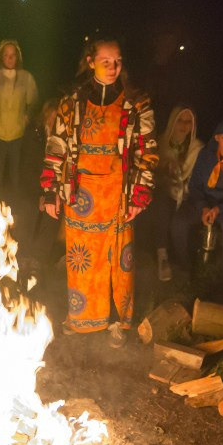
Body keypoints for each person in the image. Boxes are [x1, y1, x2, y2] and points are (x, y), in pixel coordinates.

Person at [40, 38, 158, 347]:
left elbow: (147, 150)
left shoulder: (137, 103)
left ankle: (119, 322)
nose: (112, 67)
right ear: (91, 61)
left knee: (120, 263)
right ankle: (82, 319)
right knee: (83, 261)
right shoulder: (72, 102)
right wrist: (52, 191)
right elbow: (57, 148)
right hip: (82, 197)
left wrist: (139, 194)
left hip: (119, 195)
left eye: (117, 61)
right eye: (105, 61)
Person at [172, 117, 223, 282]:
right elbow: (194, 185)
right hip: (203, 201)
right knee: (179, 222)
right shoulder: (206, 155)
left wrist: (219, 209)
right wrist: (203, 206)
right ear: (217, 138)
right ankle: (184, 267)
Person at [0, 39, 39, 200]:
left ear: (17, 57)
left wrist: (26, 118)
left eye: (13, 55)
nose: (10, 58)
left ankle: (14, 209)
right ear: (1, 58)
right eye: (6, 55)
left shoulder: (26, 78)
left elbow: (34, 101)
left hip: (18, 135)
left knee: (15, 176)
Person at [151, 105, 202, 282]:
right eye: (180, 120)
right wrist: (165, 170)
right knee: (162, 204)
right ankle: (162, 256)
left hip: (186, 194)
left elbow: (197, 178)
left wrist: (183, 180)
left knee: (181, 217)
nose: (184, 125)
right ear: (173, 121)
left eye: (188, 122)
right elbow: (152, 171)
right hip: (164, 190)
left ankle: (184, 264)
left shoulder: (196, 148)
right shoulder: (161, 142)